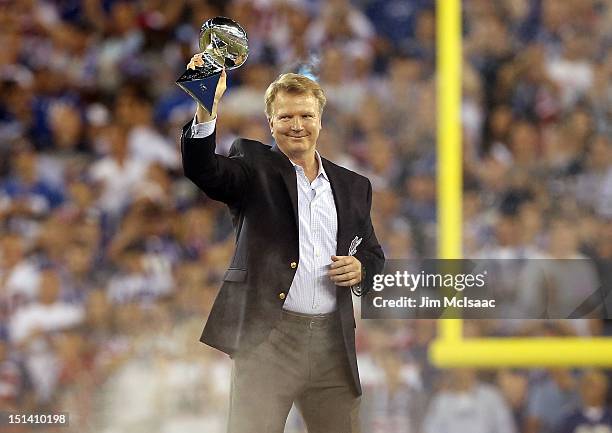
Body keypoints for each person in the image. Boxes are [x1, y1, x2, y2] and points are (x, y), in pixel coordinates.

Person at [180, 54, 385, 433]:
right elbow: (203, 169)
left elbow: (372, 254)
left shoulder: (355, 186)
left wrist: (361, 269)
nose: (297, 125)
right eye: (286, 116)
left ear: (320, 121)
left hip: (331, 342)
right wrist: (206, 106)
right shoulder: (252, 167)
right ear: (270, 123)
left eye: (306, 115)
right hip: (268, 340)